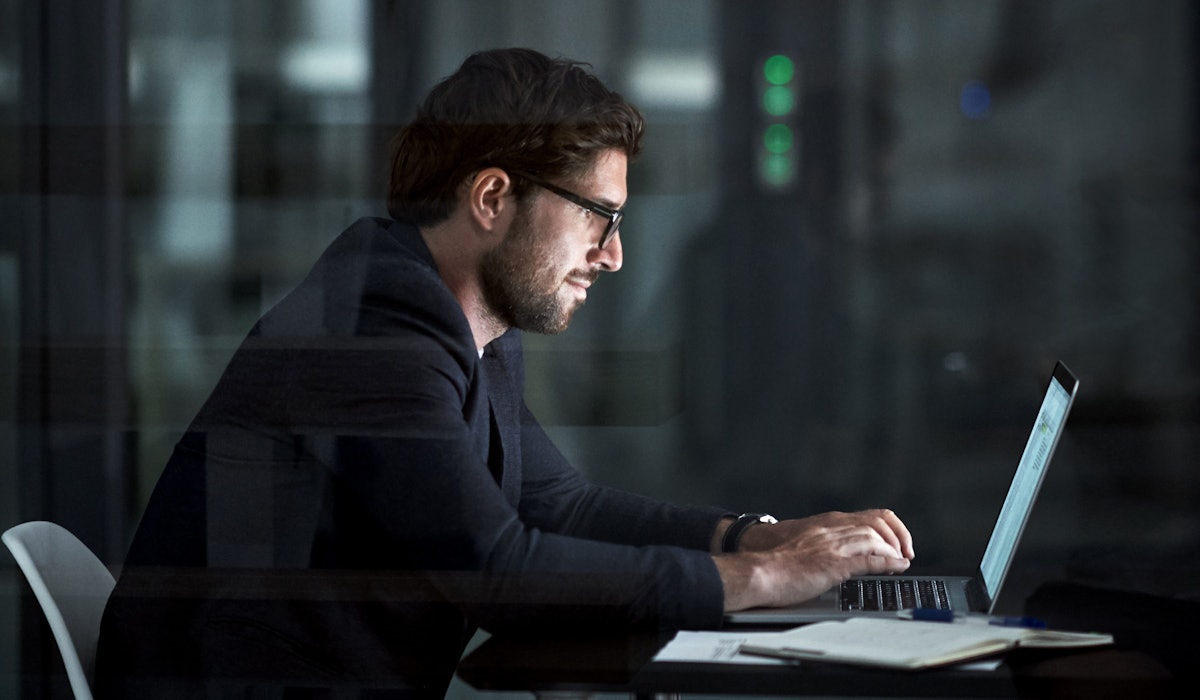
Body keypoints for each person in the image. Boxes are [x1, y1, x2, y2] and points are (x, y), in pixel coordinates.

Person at [95, 47, 914, 699]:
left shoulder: (451, 318)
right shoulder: (373, 333)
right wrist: (764, 577)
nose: (613, 255)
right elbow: (497, 571)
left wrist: (754, 536)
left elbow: (560, 504)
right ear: (492, 198)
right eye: (599, 217)